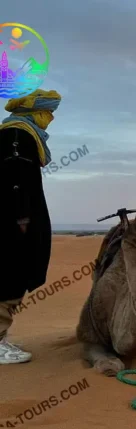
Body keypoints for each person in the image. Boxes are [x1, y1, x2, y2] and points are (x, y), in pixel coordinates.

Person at [0, 88, 61, 364]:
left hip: (12, 219)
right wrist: (22, 219)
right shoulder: (18, 135)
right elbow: (16, 180)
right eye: (47, 112)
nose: (50, 118)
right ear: (34, 112)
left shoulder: (17, 134)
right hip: (13, 223)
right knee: (11, 276)